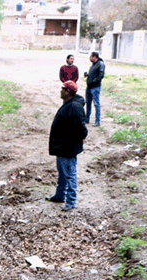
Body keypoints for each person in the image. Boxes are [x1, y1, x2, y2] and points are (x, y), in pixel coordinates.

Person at [46, 80, 87, 212]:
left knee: (69, 174)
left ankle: (71, 201)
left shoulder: (74, 107)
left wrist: (82, 137)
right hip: (62, 146)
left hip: (68, 147)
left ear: (68, 91)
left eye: (62, 88)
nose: (60, 91)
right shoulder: (70, 103)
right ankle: (59, 196)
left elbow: (81, 128)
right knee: (63, 174)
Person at [83, 51, 105, 127]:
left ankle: (97, 121)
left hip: (95, 87)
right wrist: (88, 75)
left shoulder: (100, 64)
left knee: (96, 104)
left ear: (95, 57)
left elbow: (101, 76)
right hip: (89, 87)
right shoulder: (93, 65)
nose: (90, 58)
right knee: (88, 103)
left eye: (91, 57)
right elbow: (94, 74)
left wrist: (93, 81)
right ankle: (87, 119)